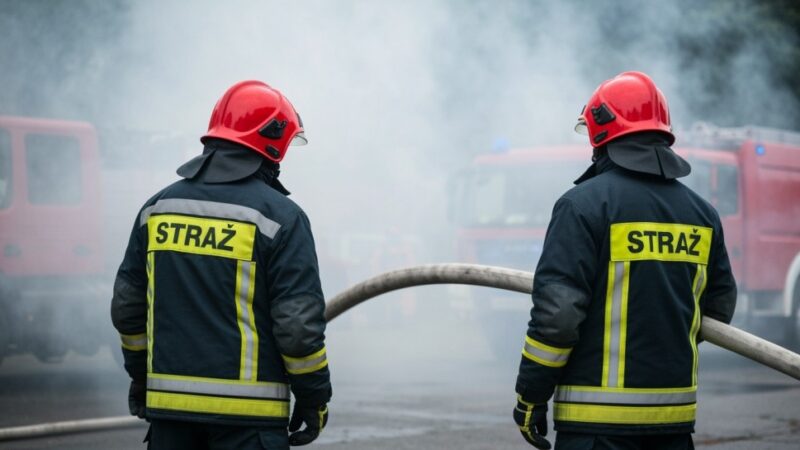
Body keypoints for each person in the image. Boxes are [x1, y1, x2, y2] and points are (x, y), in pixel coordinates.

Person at [513, 71, 737, 450]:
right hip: (674, 430)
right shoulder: (703, 214)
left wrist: (531, 398)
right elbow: (718, 310)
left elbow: (558, 319)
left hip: (596, 432)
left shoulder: (582, 206)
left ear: (600, 131)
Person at [111, 80, 331, 449]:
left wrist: (141, 375)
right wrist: (314, 398)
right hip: (250, 425)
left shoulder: (157, 209)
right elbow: (297, 329)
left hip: (170, 419)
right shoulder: (281, 219)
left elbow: (127, 308)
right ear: (272, 140)